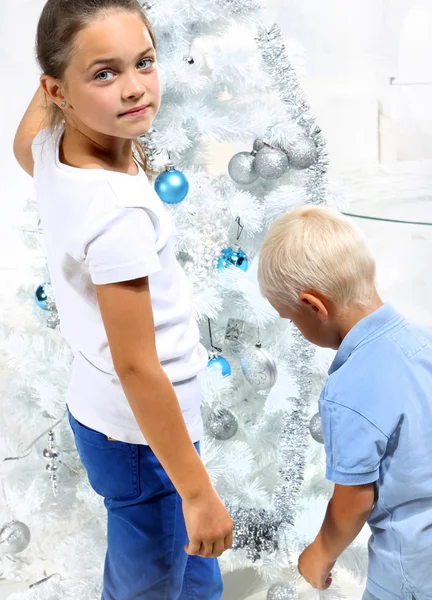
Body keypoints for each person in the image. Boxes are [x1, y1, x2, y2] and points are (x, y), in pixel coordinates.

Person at [13, 1, 232, 598]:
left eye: (145, 62)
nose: (136, 89)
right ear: (57, 90)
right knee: (150, 584)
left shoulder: (54, 150)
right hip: (143, 437)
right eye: (105, 74)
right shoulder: (117, 216)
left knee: (192, 574)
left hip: (112, 420)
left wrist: (71, 70)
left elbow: (21, 141)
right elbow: (137, 365)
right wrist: (196, 491)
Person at [257, 205, 432, 600]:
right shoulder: (425, 341)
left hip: (411, 570)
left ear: (314, 307)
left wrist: (319, 554)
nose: (295, 328)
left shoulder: (347, 389)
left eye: (290, 319)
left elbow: (354, 502)